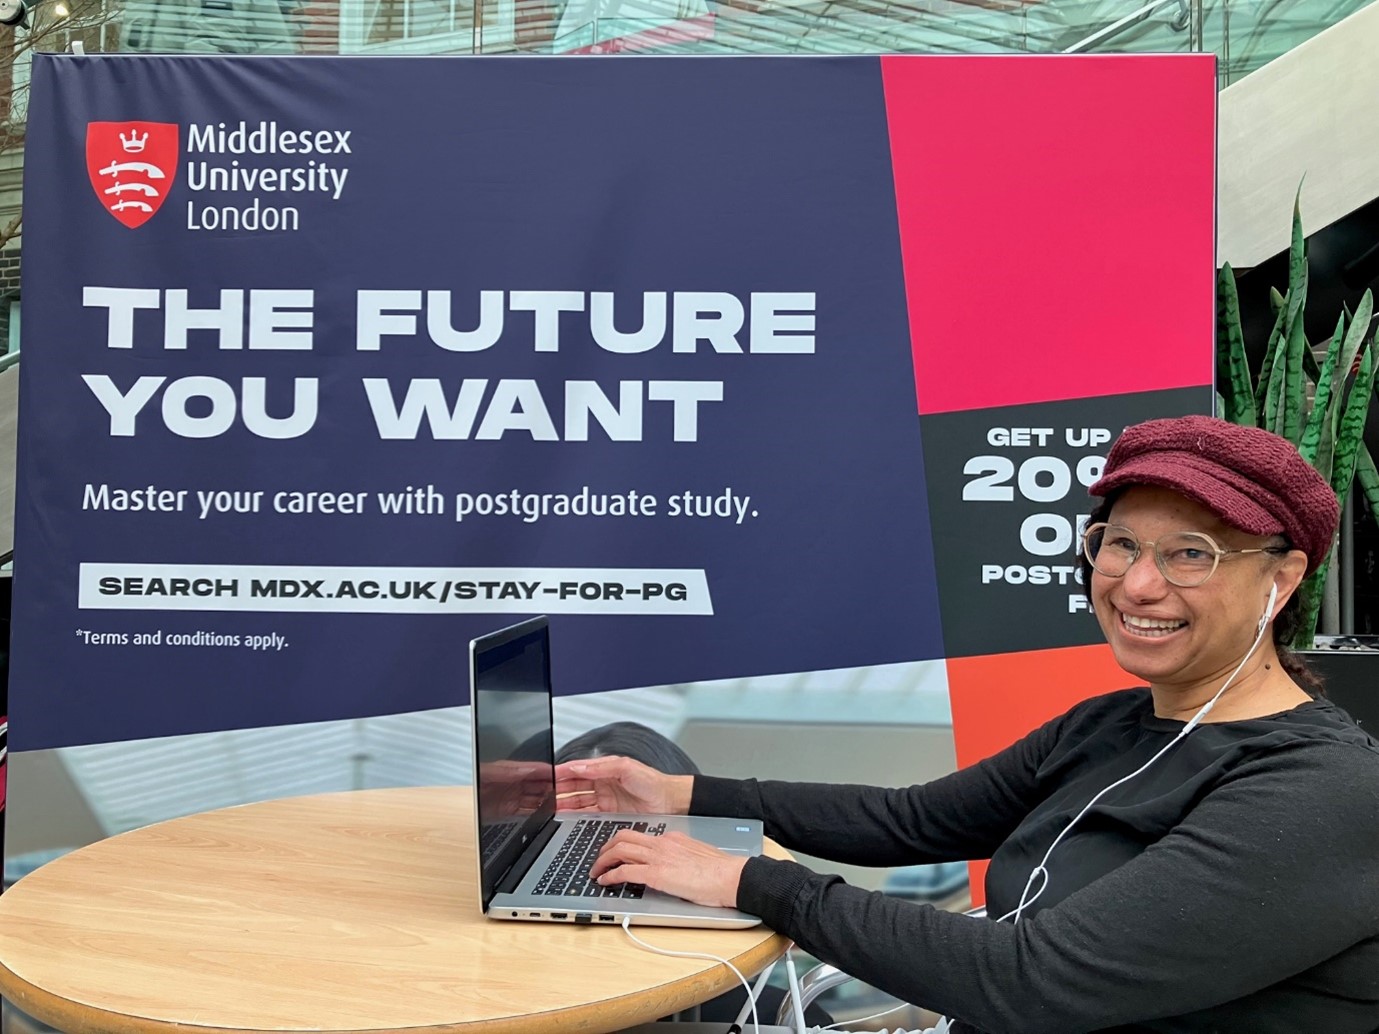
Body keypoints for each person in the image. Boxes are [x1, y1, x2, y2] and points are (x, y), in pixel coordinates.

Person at [553, 415, 1379, 1034]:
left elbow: (1027, 979)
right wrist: (679, 792)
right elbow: (910, 819)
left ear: (1281, 578)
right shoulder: (1114, 726)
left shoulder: (1320, 792)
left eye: (1190, 553)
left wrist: (743, 880)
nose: (1135, 585)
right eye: (1119, 544)